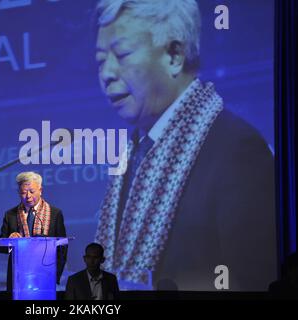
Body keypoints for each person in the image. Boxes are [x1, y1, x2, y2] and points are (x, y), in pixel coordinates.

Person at [94, 0, 277, 291]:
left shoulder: (237, 150)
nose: (107, 73)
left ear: (174, 56)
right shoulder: (134, 152)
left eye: (122, 54)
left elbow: (253, 281)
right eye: (101, 60)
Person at [0, 171, 67, 293]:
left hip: (45, 276)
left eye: (32, 191)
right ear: (18, 193)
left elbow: (62, 247)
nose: (28, 196)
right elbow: (0, 247)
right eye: (23, 193)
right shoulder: (10, 215)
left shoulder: (55, 213)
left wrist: (55, 276)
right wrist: (10, 241)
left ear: (41, 190)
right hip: (18, 278)